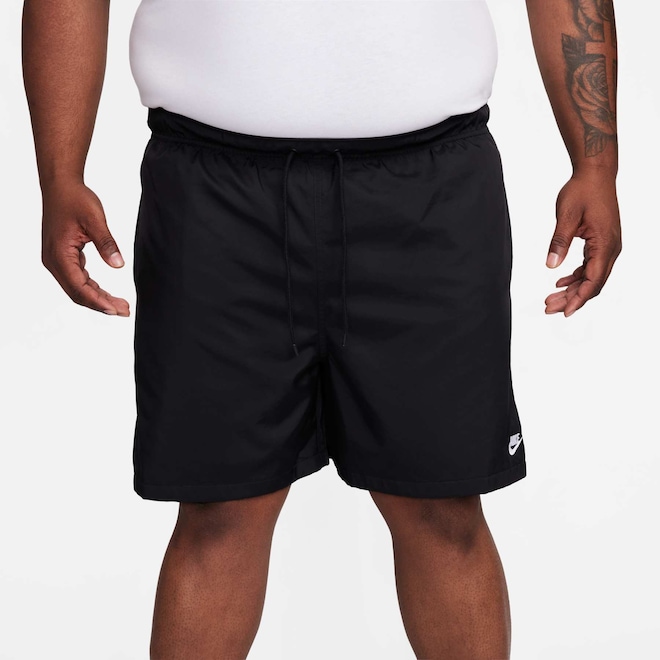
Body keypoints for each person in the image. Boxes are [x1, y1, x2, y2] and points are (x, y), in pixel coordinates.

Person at [22, 0, 621, 657]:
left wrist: (596, 165)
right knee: (219, 511)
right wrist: (59, 174)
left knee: (443, 508)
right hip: (213, 194)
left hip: (429, 191)